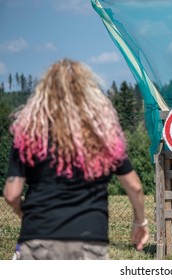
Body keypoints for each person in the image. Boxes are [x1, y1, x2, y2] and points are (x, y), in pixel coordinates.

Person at [3, 58, 149, 260]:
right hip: (90, 241)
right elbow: (134, 187)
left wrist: (25, 214)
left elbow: (11, 194)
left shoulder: (29, 135)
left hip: (38, 239)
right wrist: (140, 222)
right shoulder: (104, 137)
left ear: (44, 93)